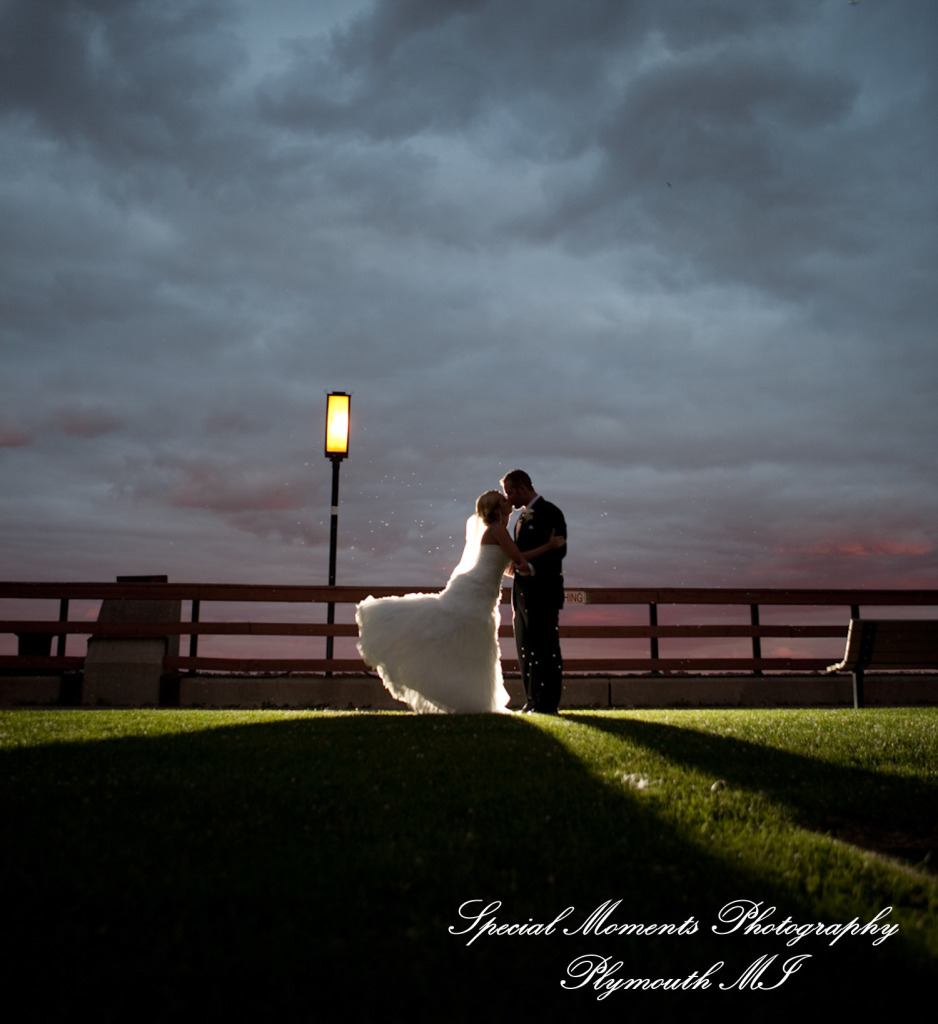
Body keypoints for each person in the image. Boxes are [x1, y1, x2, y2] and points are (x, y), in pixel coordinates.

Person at [355, 491, 565, 714]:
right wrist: (548, 546)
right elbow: (518, 558)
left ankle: (472, 699)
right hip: (474, 591)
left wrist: (526, 570)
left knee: (474, 646)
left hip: (483, 595)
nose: (507, 500)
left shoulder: (496, 531)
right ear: (496, 509)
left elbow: (507, 567)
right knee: (458, 639)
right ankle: (457, 692)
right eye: (503, 500)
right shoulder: (498, 529)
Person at [500, 469, 567, 714]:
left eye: (510, 492)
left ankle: (548, 702)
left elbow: (559, 551)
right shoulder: (519, 520)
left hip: (544, 590)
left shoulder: (551, 512)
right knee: (524, 645)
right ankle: (532, 699)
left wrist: (530, 566)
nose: (509, 498)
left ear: (522, 487)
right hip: (521, 592)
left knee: (545, 645)